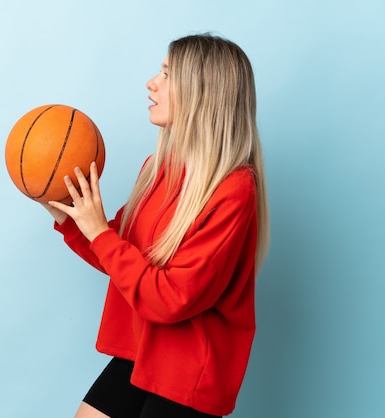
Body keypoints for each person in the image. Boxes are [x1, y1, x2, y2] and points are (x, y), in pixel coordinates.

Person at [43, 33, 269, 418]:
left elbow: (169, 298)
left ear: (203, 92)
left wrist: (99, 231)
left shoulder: (234, 189)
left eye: (167, 73)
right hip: (145, 352)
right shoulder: (158, 168)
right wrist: (66, 215)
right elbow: (119, 257)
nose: (152, 82)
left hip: (190, 369)